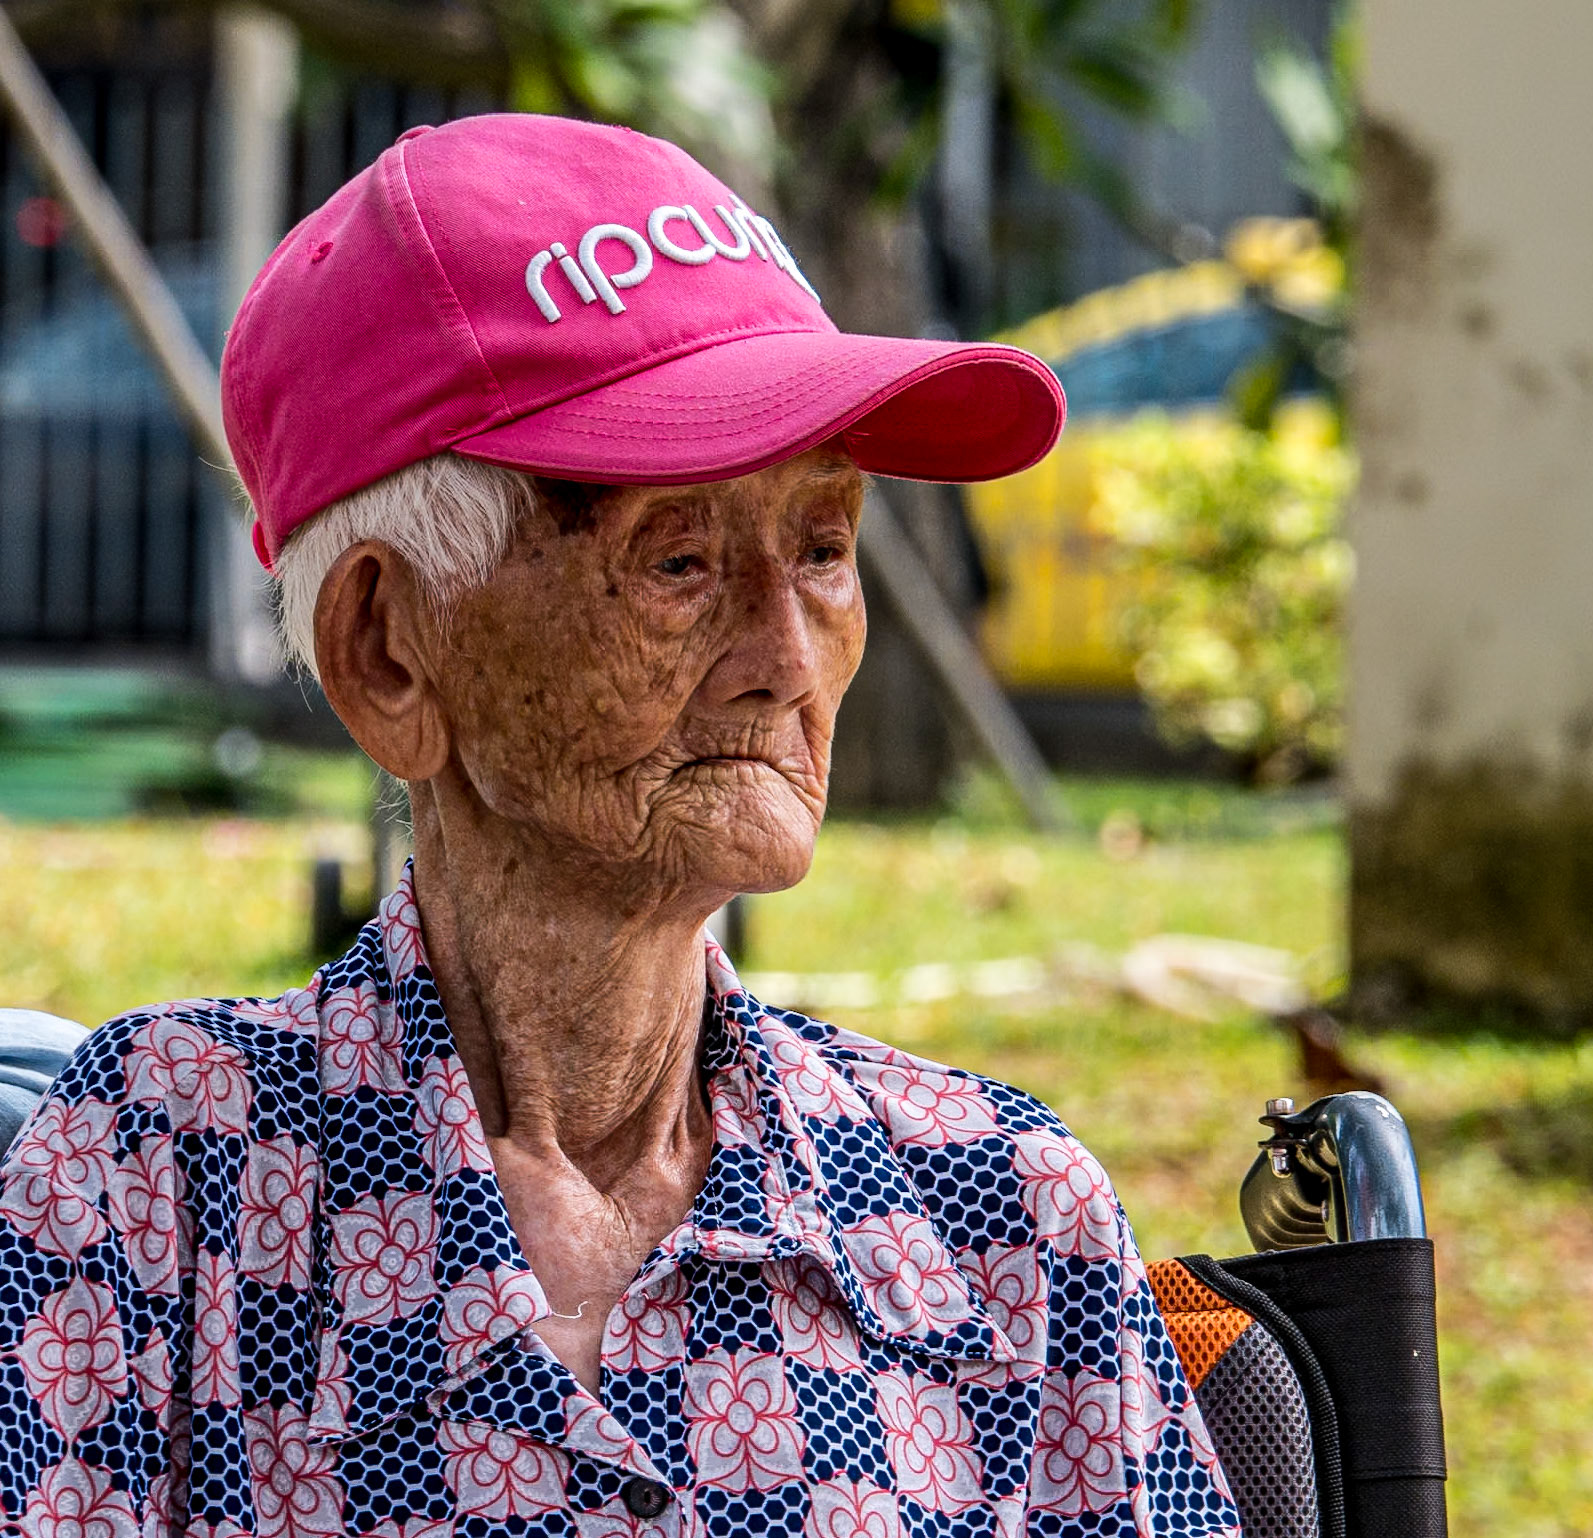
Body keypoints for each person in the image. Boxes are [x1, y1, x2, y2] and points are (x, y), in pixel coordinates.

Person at [0, 115, 1239, 1538]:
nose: (787, 651)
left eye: (824, 548)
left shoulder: (998, 1214)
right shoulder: (159, 1179)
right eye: (680, 558)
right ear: (388, 652)